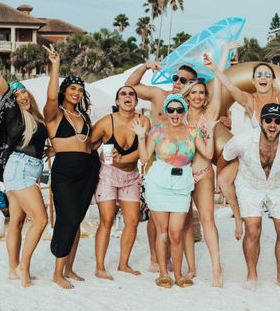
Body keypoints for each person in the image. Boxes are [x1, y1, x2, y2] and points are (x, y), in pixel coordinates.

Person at [206, 53, 280, 236]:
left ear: (273, 80)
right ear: (254, 81)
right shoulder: (249, 100)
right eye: (259, 75)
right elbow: (230, 86)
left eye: (267, 75)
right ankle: (239, 220)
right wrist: (215, 69)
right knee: (223, 180)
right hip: (253, 154)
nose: (263, 78)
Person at [221, 103, 280, 289]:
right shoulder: (243, 140)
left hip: (277, 186)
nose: (272, 124)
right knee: (253, 229)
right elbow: (224, 157)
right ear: (261, 122)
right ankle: (252, 275)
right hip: (249, 186)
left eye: (277, 121)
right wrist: (219, 180)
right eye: (268, 120)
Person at [131, 94, 216, 288]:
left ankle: (178, 274)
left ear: (184, 112)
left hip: (182, 185)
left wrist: (209, 132)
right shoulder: (156, 132)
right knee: (163, 232)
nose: (175, 113)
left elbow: (209, 153)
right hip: (158, 184)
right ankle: (163, 273)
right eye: (171, 110)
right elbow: (144, 159)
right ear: (166, 112)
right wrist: (141, 136)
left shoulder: (193, 131)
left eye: (179, 110)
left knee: (176, 233)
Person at [0, 51, 48, 288]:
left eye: (23, 91)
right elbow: (5, 92)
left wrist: (47, 152)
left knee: (17, 221)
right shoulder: (14, 115)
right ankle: (23, 268)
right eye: (17, 94)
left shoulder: (37, 118)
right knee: (41, 219)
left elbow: (36, 144)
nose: (21, 96)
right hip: (19, 168)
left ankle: (12, 270)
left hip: (29, 168)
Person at [125, 61, 198, 272]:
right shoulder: (160, 95)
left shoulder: (193, 104)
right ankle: (156, 258)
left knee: (181, 217)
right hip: (155, 157)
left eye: (182, 80)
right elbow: (130, 87)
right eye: (175, 78)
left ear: (191, 84)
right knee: (155, 215)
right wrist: (145, 67)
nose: (176, 82)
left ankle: (178, 262)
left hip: (183, 163)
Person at [43, 46, 101, 289]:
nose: (76, 92)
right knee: (67, 218)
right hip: (65, 173)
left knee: (76, 219)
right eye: (72, 88)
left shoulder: (84, 117)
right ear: (64, 90)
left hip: (88, 170)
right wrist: (55, 66)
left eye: (80, 89)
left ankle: (69, 267)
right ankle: (57, 273)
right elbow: (51, 99)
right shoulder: (54, 113)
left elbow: (87, 143)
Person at [180, 43, 233, 287]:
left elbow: (220, 85)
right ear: (187, 96)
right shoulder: (177, 115)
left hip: (203, 173)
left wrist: (223, 56)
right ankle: (191, 268)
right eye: (194, 93)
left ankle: (216, 268)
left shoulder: (210, 114)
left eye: (202, 92)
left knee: (208, 219)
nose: (199, 96)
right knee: (187, 222)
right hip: (180, 175)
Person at [90, 86, 151, 280]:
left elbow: (142, 154)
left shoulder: (143, 121)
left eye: (131, 94)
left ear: (136, 101)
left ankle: (123, 264)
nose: (127, 96)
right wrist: (101, 153)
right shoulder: (107, 122)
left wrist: (121, 160)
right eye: (123, 94)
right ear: (117, 102)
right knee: (106, 220)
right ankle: (100, 267)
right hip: (108, 175)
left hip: (131, 176)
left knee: (132, 221)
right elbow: (89, 144)